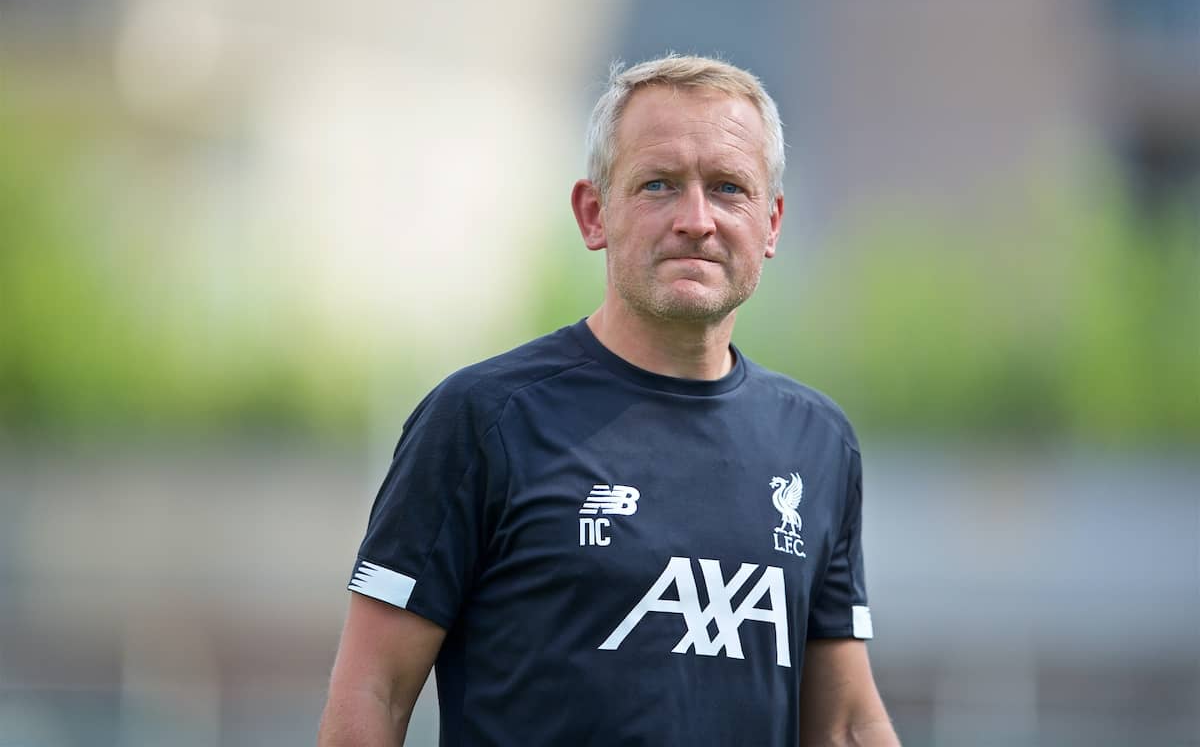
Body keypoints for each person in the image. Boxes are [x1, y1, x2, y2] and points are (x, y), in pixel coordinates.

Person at [318, 55, 900, 746]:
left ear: (771, 224)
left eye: (727, 188)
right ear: (594, 214)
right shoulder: (483, 421)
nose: (696, 220)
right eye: (658, 185)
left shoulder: (820, 444)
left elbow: (843, 724)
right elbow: (372, 693)